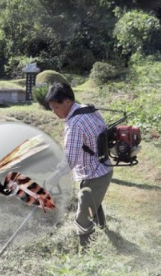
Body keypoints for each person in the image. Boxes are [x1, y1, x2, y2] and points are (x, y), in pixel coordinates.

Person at [44, 82, 113, 249]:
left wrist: (52, 178)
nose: (54, 112)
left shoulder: (74, 124)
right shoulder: (89, 109)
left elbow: (70, 160)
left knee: (81, 219)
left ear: (67, 102)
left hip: (93, 175)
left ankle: (86, 254)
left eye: (56, 107)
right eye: (52, 108)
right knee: (94, 203)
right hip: (103, 168)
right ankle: (104, 230)